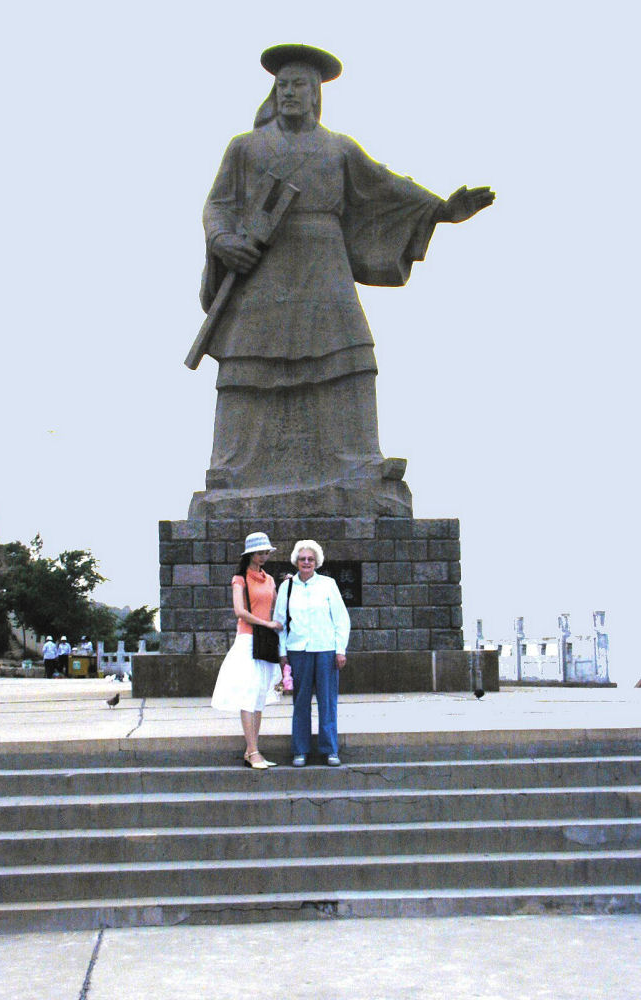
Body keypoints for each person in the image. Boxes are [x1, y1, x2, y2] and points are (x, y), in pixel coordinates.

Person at [196, 44, 494, 512]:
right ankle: (232, 466)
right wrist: (222, 240)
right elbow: (217, 205)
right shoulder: (246, 148)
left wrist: (440, 209)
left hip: (323, 261)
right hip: (266, 265)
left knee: (353, 356)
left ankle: (359, 461)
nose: (291, 92)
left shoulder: (338, 148)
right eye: (284, 84)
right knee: (245, 361)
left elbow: (386, 187)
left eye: (300, 85)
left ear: (316, 94)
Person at [273, 539, 350, 766]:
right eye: (302, 558)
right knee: (301, 702)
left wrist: (340, 649)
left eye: (310, 559)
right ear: (296, 561)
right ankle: (300, 750)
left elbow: (341, 619)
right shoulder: (287, 587)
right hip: (298, 651)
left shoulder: (328, 584)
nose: (306, 562)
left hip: (325, 650)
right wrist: (282, 653)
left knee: (327, 701)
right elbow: (280, 623)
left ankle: (330, 749)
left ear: (316, 562)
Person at [211, 531, 284, 768]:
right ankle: (253, 751)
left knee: (260, 695)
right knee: (248, 693)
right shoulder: (240, 578)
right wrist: (266, 624)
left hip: (265, 641)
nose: (264, 556)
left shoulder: (270, 579)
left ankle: (252, 749)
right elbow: (239, 611)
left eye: (266, 553)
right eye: (261, 553)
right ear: (251, 554)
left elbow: (276, 605)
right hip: (248, 640)